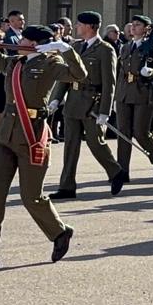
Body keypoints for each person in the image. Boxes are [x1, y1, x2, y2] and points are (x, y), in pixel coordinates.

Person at [0, 25, 87, 272]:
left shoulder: (50, 63)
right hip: (5, 136)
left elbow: (79, 75)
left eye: (23, 38)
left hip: (31, 135)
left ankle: (59, 232)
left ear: (35, 43)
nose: (18, 41)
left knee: (31, 196)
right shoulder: (16, 63)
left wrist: (66, 50)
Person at [49, 11, 127, 199]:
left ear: (91, 27)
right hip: (73, 102)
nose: (77, 27)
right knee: (70, 146)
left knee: (95, 143)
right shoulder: (75, 46)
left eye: (80, 24)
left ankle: (116, 171)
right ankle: (67, 186)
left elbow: (110, 82)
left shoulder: (105, 50)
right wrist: (56, 98)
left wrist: (105, 111)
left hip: (92, 103)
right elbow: (67, 75)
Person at [115, 15, 153, 178]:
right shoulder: (125, 47)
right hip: (124, 93)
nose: (133, 27)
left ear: (146, 29)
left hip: (143, 93)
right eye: (132, 24)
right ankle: (122, 171)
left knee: (140, 132)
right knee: (123, 133)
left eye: (138, 25)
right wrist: (115, 95)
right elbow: (119, 73)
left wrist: (150, 71)